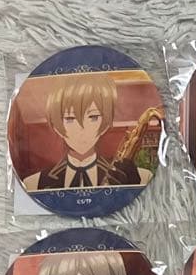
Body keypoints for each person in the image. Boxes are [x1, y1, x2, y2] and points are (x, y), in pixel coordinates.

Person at [22, 74, 150, 190]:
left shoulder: (141, 177)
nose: (81, 129)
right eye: (70, 119)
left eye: (93, 117)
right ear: (56, 126)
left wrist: (132, 189)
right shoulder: (34, 184)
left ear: (105, 124)